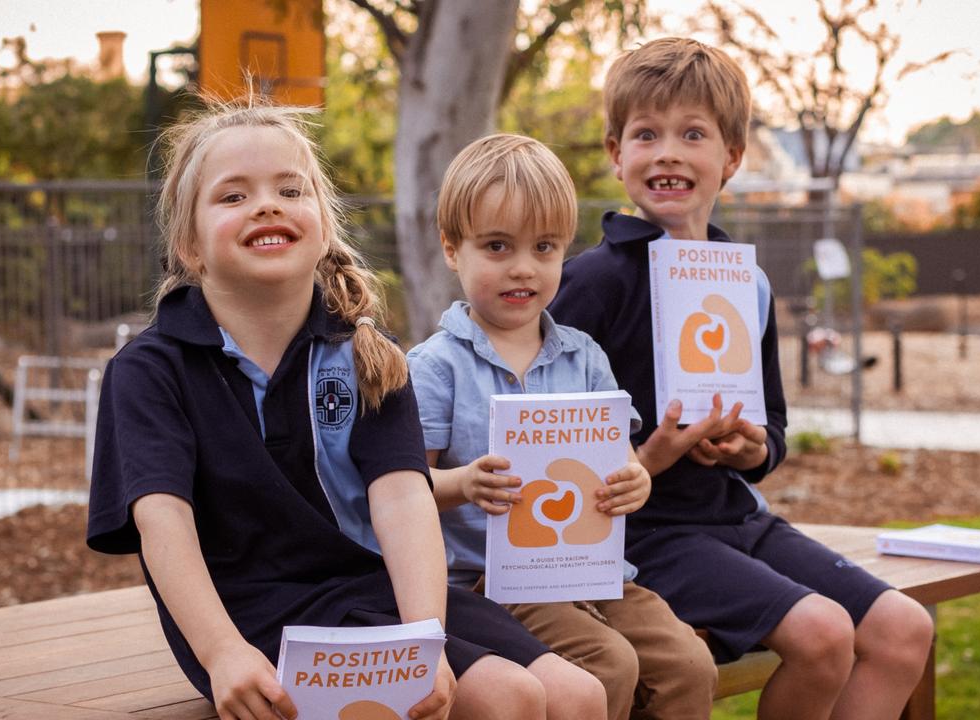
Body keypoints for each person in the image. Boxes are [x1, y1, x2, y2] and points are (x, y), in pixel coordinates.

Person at [86, 101, 606, 720]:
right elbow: (162, 525)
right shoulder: (150, 371)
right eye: (233, 196)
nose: (267, 205)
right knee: (509, 698)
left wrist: (425, 638)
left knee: (580, 696)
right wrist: (223, 652)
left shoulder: (366, 356)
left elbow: (404, 503)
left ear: (324, 228)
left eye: (289, 188)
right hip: (250, 616)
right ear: (189, 246)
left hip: (373, 586)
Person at [549, 38, 935, 720]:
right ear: (616, 153)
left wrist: (754, 449)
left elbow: (774, 428)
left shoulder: (743, 284)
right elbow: (547, 436)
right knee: (822, 635)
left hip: (737, 519)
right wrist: (649, 457)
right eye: (646, 134)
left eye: (692, 133)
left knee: (906, 630)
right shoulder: (590, 283)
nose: (667, 151)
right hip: (645, 537)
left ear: (731, 157)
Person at [407, 133, 719, 720]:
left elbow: (622, 459)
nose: (523, 268)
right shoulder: (435, 368)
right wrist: (463, 484)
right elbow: (404, 488)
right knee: (609, 666)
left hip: (593, 569)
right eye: (497, 246)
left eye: (545, 248)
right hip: (494, 581)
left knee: (689, 664)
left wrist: (636, 480)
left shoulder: (585, 358)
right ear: (453, 249)